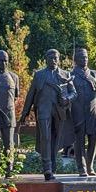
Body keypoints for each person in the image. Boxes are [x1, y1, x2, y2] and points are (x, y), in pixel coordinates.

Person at [19, 49, 72, 180]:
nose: (54, 60)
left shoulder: (66, 74)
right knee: (45, 137)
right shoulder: (39, 75)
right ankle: (47, 168)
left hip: (59, 112)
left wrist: (68, 99)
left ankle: (53, 166)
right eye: (51, 58)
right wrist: (25, 113)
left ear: (59, 59)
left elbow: (73, 92)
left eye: (56, 58)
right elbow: (31, 94)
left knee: (55, 139)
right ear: (46, 59)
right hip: (43, 110)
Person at [67, 47, 96, 177]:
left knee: (94, 137)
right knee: (79, 141)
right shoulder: (70, 75)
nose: (85, 59)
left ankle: (90, 166)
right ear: (75, 60)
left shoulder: (93, 74)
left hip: (92, 112)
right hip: (78, 113)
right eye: (81, 57)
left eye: (86, 57)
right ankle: (82, 168)